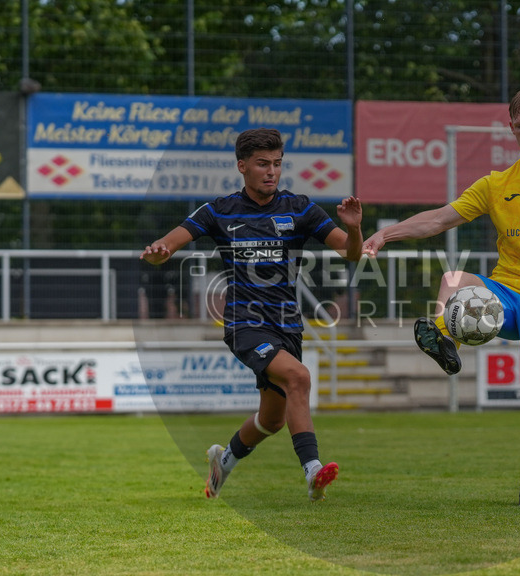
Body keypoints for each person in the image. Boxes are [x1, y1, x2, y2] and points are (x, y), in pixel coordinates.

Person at [361, 84, 520, 505]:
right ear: (511, 129)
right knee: (456, 278)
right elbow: (440, 219)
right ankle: (444, 336)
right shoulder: (496, 184)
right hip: (505, 297)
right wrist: (387, 233)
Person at [141, 127, 364, 501]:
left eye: (277, 164)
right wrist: (161, 250)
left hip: (287, 325)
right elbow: (172, 239)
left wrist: (354, 229)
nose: (271, 171)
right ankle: (312, 470)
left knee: (273, 419)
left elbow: (352, 253)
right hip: (244, 322)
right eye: (263, 164)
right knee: (299, 377)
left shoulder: (300, 208)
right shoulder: (219, 210)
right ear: (242, 166)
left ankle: (222, 460)